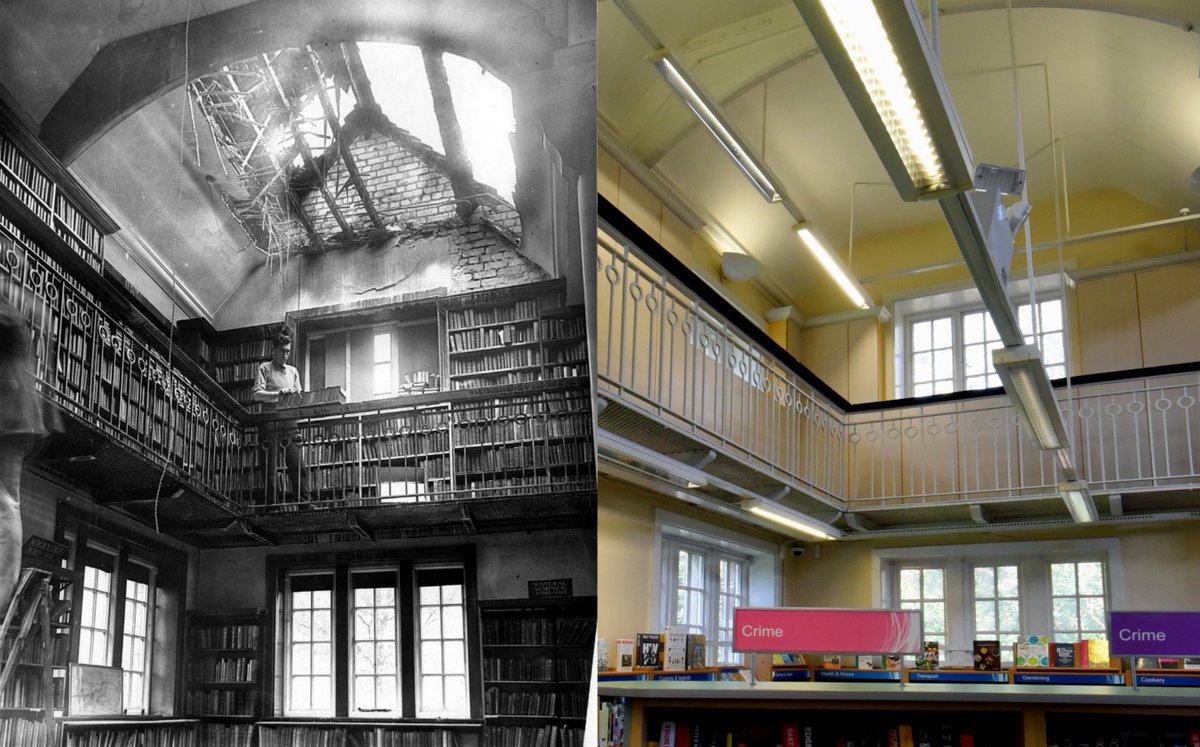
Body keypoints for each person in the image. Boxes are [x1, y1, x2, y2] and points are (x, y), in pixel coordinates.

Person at [0, 300, 50, 613]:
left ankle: (1, 594)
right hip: (11, 419)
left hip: (8, 418)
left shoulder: (7, 313)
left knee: (5, 504)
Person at [252, 327, 310, 504]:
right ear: (274, 350)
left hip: (290, 422)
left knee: (297, 463)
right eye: (283, 351)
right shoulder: (265, 368)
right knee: (270, 466)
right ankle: (272, 505)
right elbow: (256, 394)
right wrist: (279, 394)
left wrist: (296, 396)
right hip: (270, 420)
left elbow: (299, 396)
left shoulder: (293, 371)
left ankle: (303, 504)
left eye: (288, 351)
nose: (286, 355)